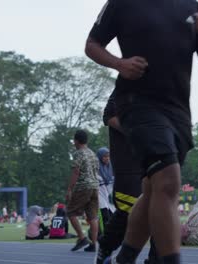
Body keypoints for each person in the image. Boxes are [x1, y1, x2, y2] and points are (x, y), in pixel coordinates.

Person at [85, 0, 198, 262]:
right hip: (137, 103)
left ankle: (125, 258)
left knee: (153, 191)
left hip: (178, 110)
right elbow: (92, 45)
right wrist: (120, 64)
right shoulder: (122, 4)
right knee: (169, 181)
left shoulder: (189, 5)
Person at [95, 92, 157, 264]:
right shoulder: (127, 85)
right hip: (129, 165)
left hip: (157, 158)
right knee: (129, 212)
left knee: (162, 210)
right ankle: (107, 248)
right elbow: (108, 116)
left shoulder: (163, 87)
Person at [66, 130, 99, 252]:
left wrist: (69, 189)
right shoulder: (93, 154)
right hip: (95, 187)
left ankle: (82, 237)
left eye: (74, 141)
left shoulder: (79, 154)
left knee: (70, 211)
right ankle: (94, 244)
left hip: (83, 187)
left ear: (76, 141)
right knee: (93, 216)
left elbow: (76, 171)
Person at [97, 147, 116, 234]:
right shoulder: (96, 168)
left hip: (110, 195)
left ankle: (112, 235)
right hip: (100, 194)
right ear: (100, 157)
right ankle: (106, 234)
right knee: (105, 215)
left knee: (113, 216)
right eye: (104, 156)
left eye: (108, 156)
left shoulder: (111, 167)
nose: (107, 158)